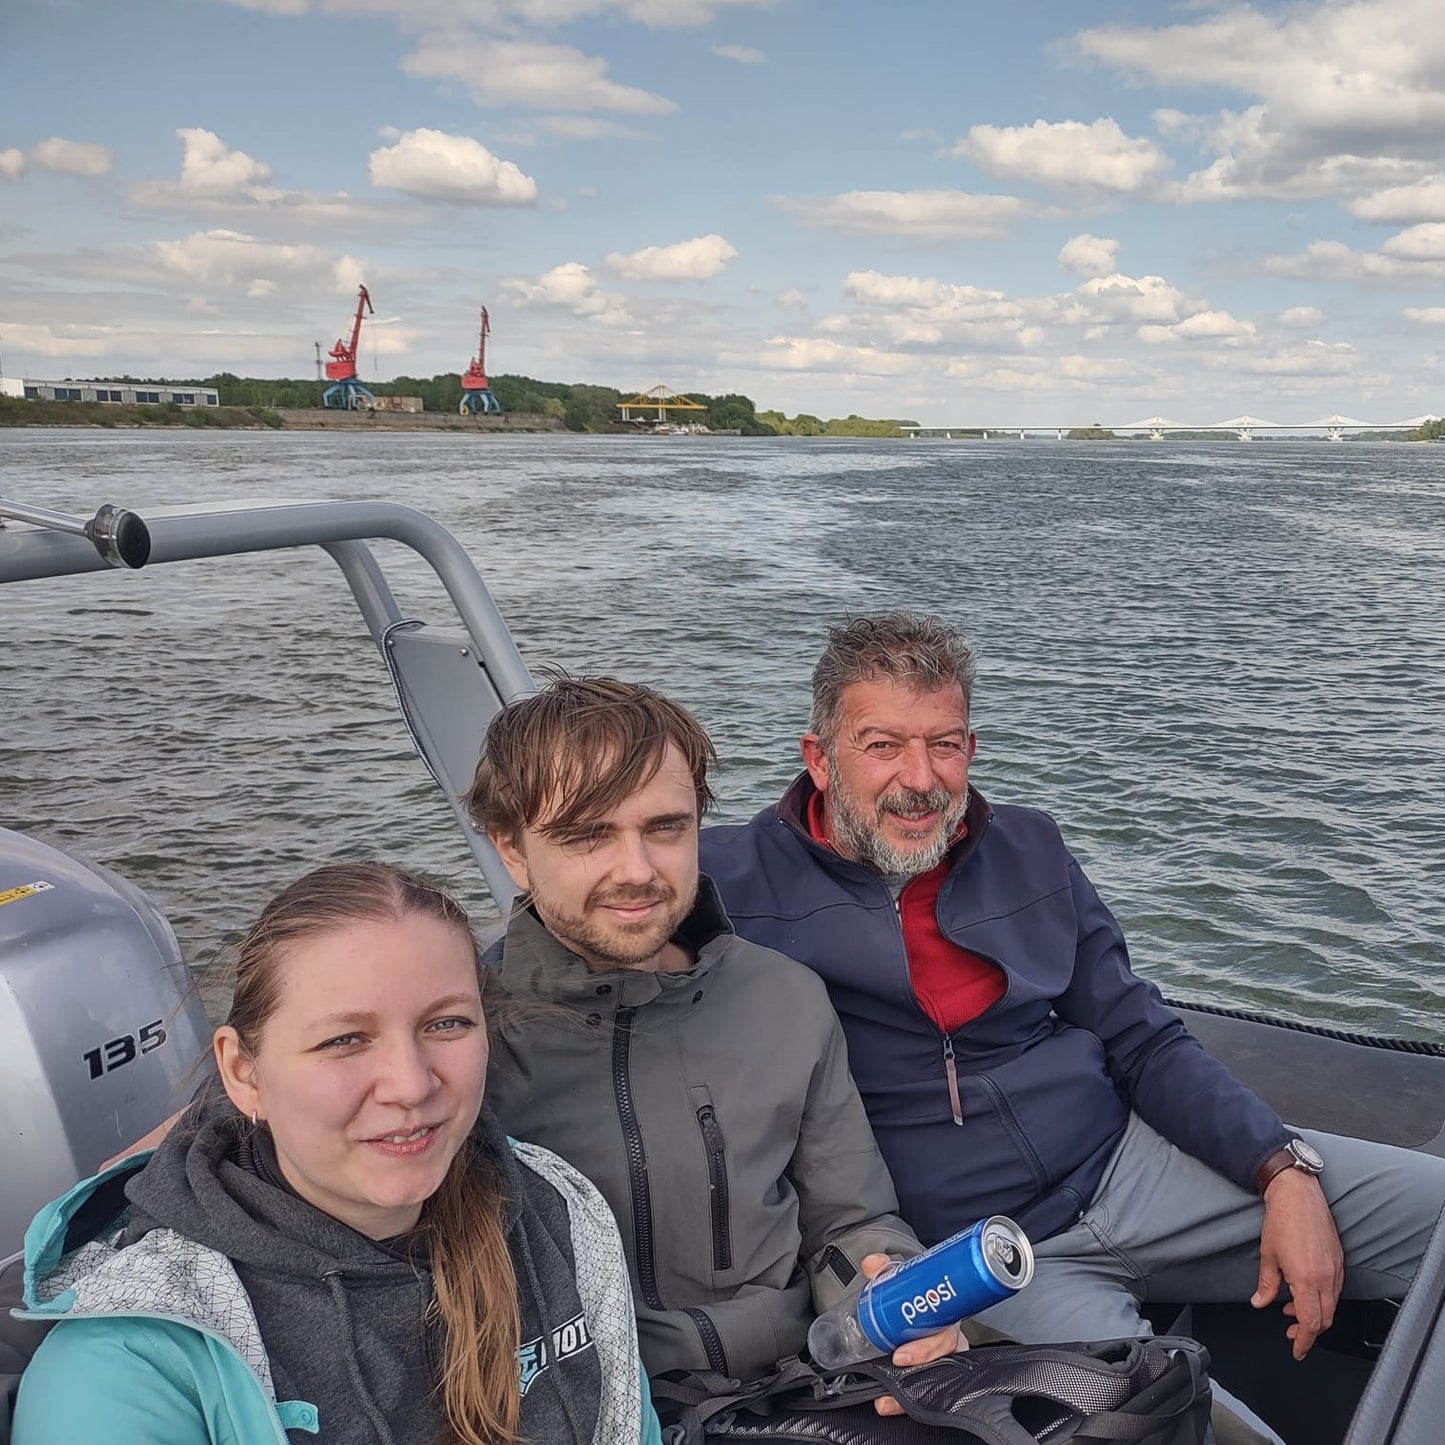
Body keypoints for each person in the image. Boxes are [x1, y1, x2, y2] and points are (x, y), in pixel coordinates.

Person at [699, 611, 1445, 1368]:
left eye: (944, 744)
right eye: (882, 745)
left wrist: (1279, 1166)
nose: (919, 780)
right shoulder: (726, 885)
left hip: (1131, 1166)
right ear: (819, 759)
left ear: (970, 749)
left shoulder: (1029, 846)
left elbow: (1140, 1034)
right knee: (1141, 1412)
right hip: (980, 1259)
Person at [10, 862, 661, 1445]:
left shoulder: (558, 1212)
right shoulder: (133, 1363)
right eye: (346, 1038)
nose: (410, 1084)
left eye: (446, 1023)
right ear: (242, 1073)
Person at [464, 675, 962, 1421]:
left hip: (809, 1388)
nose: (636, 869)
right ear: (511, 849)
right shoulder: (463, 1036)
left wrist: (895, 1297)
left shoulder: (786, 998)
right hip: (592, 1407)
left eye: (664, 827)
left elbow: (851, 1220)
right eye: (586, 835)